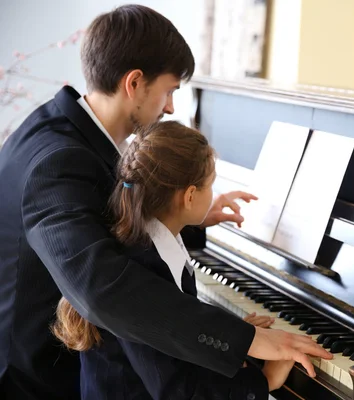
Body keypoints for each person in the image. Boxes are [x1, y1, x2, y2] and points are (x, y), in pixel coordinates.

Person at [0, 5, 331, 400]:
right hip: (33, 381)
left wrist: (182, 217)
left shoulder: (62, 125)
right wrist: (246, 340)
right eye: (170, 90)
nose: (171, 107)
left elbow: (99, 229)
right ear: (135, 83)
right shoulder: (60, 159)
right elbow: (102, 288)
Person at [52, 120, 293, 399]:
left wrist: (231, 339)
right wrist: (263, 382)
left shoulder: (144, 239)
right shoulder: (145, 269)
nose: (214, 193)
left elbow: (175, 347)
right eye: (211, 184)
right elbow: (175, 388)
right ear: (190, 196)